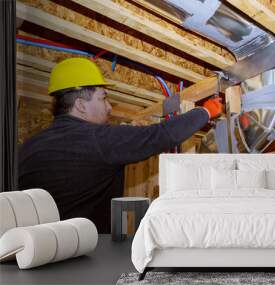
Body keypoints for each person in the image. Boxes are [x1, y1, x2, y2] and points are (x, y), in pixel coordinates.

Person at [18, 57, 223, 233]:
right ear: (80, 105)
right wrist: (205, 111)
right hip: (89, 254)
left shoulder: (27, 148)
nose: (109, 107)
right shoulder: (98, 139)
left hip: (39, 251)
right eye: (103, 98)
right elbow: (159, 135)